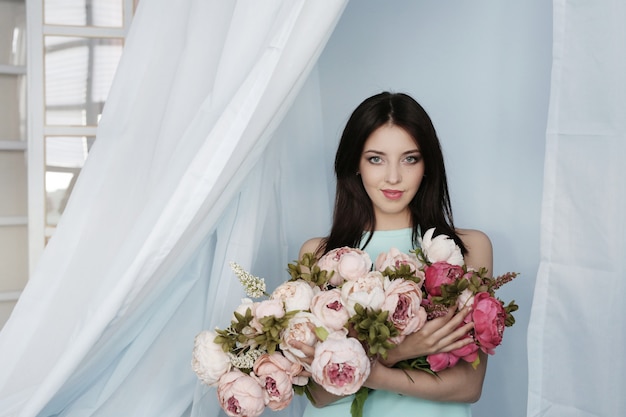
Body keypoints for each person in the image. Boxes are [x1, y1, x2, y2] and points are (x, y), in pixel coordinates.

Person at [292, 92, 492, 417]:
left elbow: (469, 386)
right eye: (376, 159)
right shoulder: (318, 255)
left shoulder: (469, 248)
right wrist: (398, 351)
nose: (394, 177)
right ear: (354, 163)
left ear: (428, 164)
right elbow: (318, 395)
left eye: (410, 158)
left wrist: (375, 370)